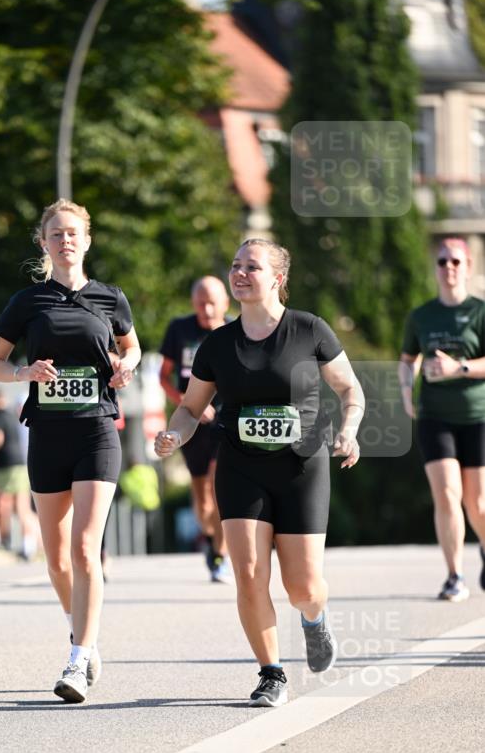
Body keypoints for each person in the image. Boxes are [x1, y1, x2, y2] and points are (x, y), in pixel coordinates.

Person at [155, 238, 364, 707]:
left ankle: (314, 618)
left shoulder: (309, 330)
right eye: (235, 265)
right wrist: (175, 434)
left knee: (303, 586)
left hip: (301, 467)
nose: (240, 273)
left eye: (252, 266)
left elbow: (350, 388)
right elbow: (190, 408)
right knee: (248, 574)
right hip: (240, 466)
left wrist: (349, 430)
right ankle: (271, 673)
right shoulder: (218, 343)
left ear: (278, 278)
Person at [0, 197, 141, 704]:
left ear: (87, 240)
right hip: (47, 434)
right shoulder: (28, 302)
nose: (65, 240)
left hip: (96, 430)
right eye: (56, 234)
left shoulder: (110, 298)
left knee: (84, 547)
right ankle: (86, 634)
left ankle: (78, 657)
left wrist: (126, 365)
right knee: (55, 560)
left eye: (73, 233)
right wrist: (24, 373)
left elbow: (131, 346)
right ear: (44, 243)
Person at [399, 237, 485, 602]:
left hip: (477, 416)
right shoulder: (421, 316)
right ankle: (454, 575)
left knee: (477, 502)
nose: (448, 267)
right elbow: (407, 360)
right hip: (435, 416)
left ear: (468, 267)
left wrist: (459, 367)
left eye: (455, 261)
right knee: (447, 495)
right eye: (442, 261)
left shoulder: (480, 312)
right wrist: (407, 393)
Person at [159, 276, 232, 582]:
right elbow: (164, 377)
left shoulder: (235, 331)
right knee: (202, 497)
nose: (207, 307)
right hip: (191, 422)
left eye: (213, 301)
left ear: (226, 303)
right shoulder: (180, 329)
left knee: (220, 487)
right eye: (201, 302)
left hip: (226, 420)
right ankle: (211, 538)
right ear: (193, 303)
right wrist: (188, 403)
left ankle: (220, 554)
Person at [0, 388, 40, 560]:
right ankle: (29, 545)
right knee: (22, 508)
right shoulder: (13, 416)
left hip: (5, 467)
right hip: (20, 465)